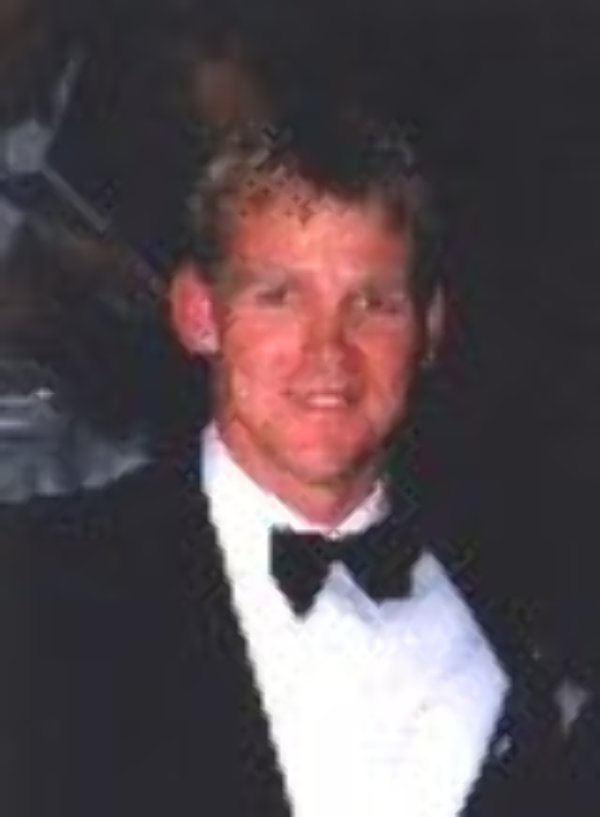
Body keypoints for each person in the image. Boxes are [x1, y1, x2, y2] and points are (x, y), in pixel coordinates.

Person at [0, 115, 561, 817]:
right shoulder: (33, 582)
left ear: (429, 328)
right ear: (200, 313)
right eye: (279, 297)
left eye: (374, 303)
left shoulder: (523, 619)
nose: (329, 351)